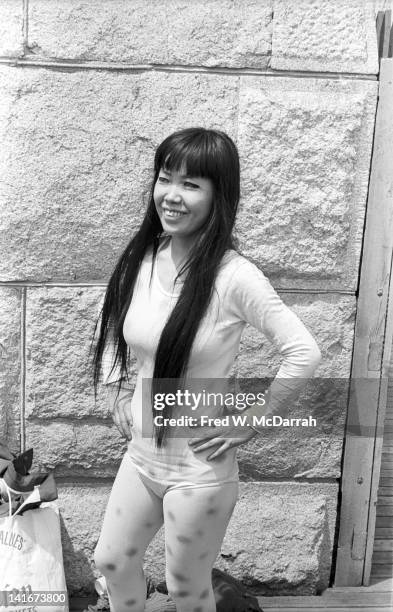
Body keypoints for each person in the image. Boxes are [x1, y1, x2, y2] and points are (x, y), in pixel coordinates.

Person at [91, 127, 322, 612]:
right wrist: (114, 389)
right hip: (141, 457)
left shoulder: (234, 277)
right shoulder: (144, 258)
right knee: (112, 562)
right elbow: (116, 324)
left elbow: (304, 351)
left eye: (191, 184)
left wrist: (251, 420)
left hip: (199, 470)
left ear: (219, 196)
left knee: (186, 591)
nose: (171, 196)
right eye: (164, 178)